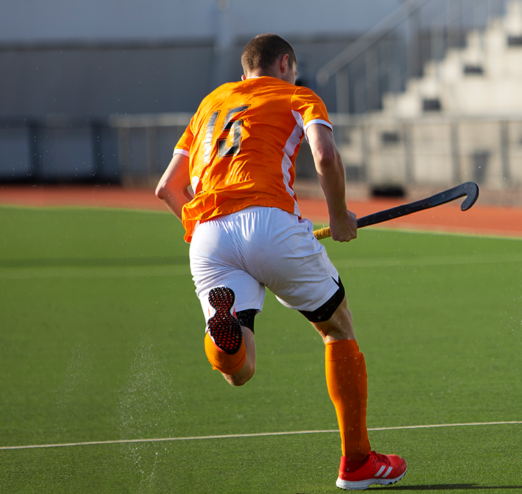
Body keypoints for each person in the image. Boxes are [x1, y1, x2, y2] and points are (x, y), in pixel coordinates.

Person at [155, 33, 405, 491]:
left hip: (207, 234)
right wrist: (338, 216)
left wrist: (208, 234)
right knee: (337, 327)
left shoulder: (212, 102)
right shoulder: (298, 95)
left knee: (240, 370)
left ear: (245, 70)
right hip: (270, 222)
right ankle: (357, 462)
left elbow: (168, 188)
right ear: (285, 63)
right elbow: (324, 154)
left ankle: (223, 337)